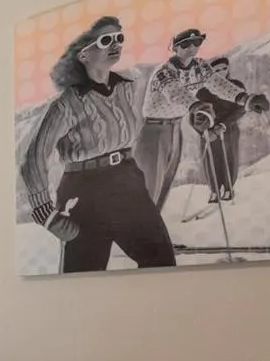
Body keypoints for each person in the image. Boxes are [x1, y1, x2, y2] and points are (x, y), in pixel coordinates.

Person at [19, 16, 175, 273]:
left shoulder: (127, 88)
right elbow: (33, 158)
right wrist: (47, 216)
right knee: (83, 276)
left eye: (119, 38)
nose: (116, 44)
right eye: (105, 40)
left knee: (162, 263)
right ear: (84, 55)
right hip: (85, 193)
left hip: (128, 184)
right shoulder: (67, 103)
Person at [137, 28, 267, 210]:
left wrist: (245, 99)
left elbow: (219, 84)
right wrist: (196, 106)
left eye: (197, 42)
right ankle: (139, 223)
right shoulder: (164, 72)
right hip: (154, 130)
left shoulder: (200, 66)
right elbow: (175, 93)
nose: (192, 47)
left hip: (175, 127)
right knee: (151, 183)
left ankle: (153, 222)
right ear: (175, 47)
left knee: (166, 181)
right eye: (186, 44)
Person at [192, 56, 249, 202]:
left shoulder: (236, 86)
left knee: (230, 157)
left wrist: (224, 124)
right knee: (211, 159)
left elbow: (241, 109)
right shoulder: (202, 91)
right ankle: (214, 190)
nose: (222, 72)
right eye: (217, 70)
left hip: (228, 127)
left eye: (224, 68)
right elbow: (193, 115)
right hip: (209, 129)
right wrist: (203, 131)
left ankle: (229, 188)